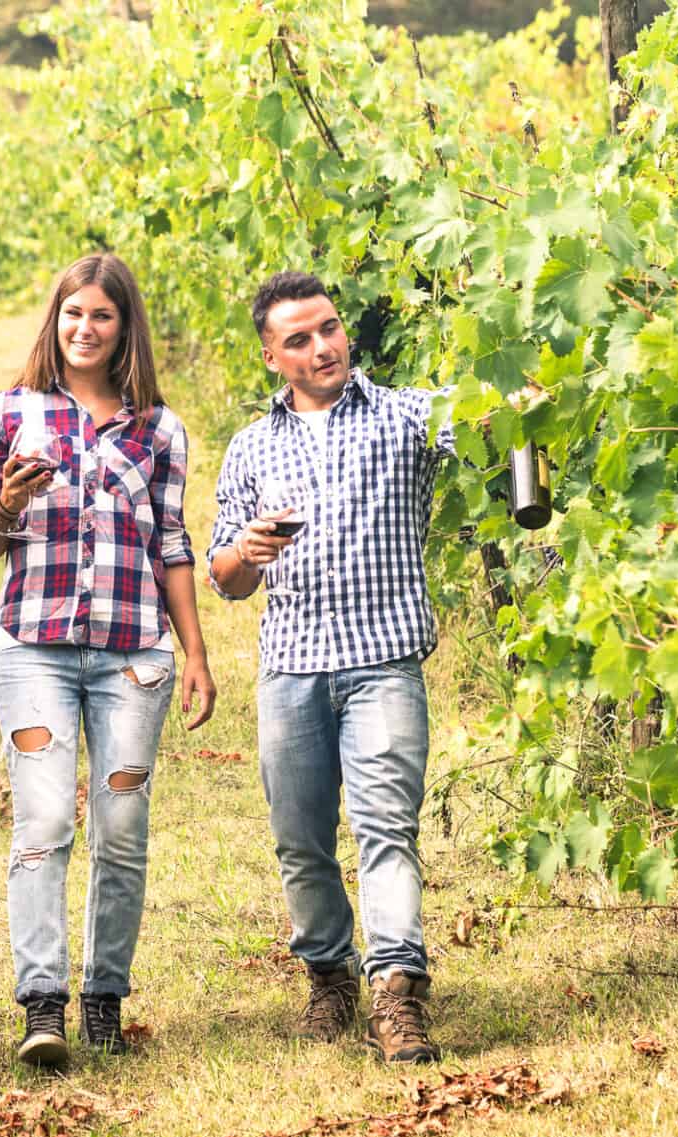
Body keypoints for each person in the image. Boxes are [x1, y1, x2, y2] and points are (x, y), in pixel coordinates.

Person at [0, 253, 216, 1068]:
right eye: (73, 313)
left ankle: (104, 994)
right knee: (41, 822)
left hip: (132, 651)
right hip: (33, 645)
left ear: (123, 327)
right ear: (55, 319)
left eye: (102, 316)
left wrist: (196, 655)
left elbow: (172, 544)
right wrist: (8, 500)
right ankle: (42, 1000)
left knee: (122, 825)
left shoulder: (158, 428)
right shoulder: (9, 414)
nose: (85, 328)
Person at [207, 271, 452, 1064]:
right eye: (302, 339)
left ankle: (396, 990)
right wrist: (246, 550)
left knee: (387, 829)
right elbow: (225, 575)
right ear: (273, 355)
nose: (324, 347)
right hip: (291, 668)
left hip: (384, 661)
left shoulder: (408, 415)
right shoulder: (253, 445)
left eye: (331, 329)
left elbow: (493, 425)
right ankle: (329, 976)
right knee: (301, 839)